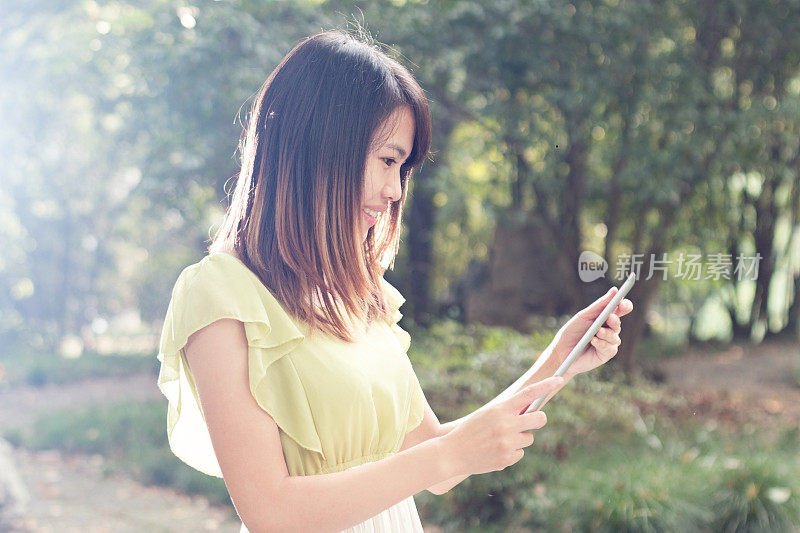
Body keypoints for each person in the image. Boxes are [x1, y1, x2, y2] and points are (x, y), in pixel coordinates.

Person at [155, 29, 634, 532]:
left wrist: (560, 358)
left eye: (401, 169)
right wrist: (445, 456)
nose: (392, 191)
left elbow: (436, 454)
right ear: (320, 145)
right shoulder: (219, 293)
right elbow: (271, 513)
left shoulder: (355, 292)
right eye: (387, 160)